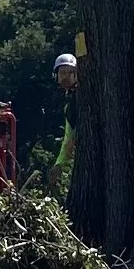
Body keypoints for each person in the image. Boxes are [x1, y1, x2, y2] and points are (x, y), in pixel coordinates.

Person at [46, 51, 80, 195]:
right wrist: (59, 164)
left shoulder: (78, 97)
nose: (65, 77)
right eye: (62, 73)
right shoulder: (69, 98)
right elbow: (68, 135)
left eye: (69, 72)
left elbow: (72, 135)